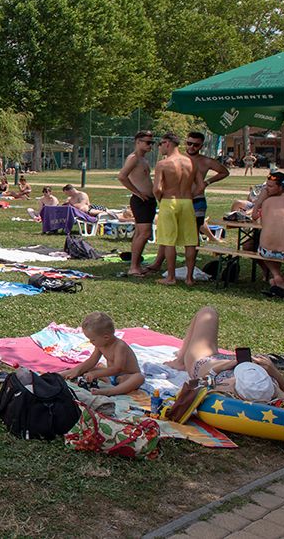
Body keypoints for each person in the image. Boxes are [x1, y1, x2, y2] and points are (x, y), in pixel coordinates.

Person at [167, 307, 284, 403]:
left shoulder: (225, 387)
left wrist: (224, 365)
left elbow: (198, 383)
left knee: (208, 312)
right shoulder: (269, 389)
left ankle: (180, 361)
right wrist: (273, 371)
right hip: (231, 362)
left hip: (207, 363)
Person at [59, 312, 145, 397]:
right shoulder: (100, 344)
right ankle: (61, 375)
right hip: (109, 376)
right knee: (89, 367)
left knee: (139, 378)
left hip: (125, 377)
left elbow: (118, 368)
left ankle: (110, 391)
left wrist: (95, 374)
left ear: (106, 337)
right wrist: (77, 370)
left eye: (92, 340)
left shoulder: (120, 346)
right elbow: (92, 360)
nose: (90, 342)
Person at [153, 133, 198, 285]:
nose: (159, 147)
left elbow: (157, 188)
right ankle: (189, 278)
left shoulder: (163, 164)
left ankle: (171, 277)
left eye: (160, 144)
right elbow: (200, 185)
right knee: (190, 241)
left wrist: (160, 199)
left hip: (169, 200)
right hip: (187, 201)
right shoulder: (190, 162)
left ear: (167, 143)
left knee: (169, 241)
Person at [117, 130, 157, 277]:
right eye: (147, 142)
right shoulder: (133, 158)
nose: (150, 145)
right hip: (141, 201)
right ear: (138, 142)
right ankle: (133, 267)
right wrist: (138, 193)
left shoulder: (144, 159)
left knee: (141, 233)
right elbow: (122, 176)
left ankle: (136, 264)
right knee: (145, 233)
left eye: (152, 142)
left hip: (149, 200)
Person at [185, 131, 230, 242]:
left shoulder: (205, 161)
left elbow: (224, 172)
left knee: (194, 233)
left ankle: (191, 259)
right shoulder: (177, 159)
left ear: (202, 146)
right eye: (189, 143)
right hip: (180, 198)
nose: (192, 147)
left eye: (196, 145)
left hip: (197, 199)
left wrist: (207, 182)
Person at [251, 171, 284, 296]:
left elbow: (255, 217)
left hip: (266, 251)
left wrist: (260, 199)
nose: (266, 189)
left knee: (254, 245)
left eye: (270, 186)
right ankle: (280, 278)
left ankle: (277, 277)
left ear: (281, 187)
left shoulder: (267, 203)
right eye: (266, 186)